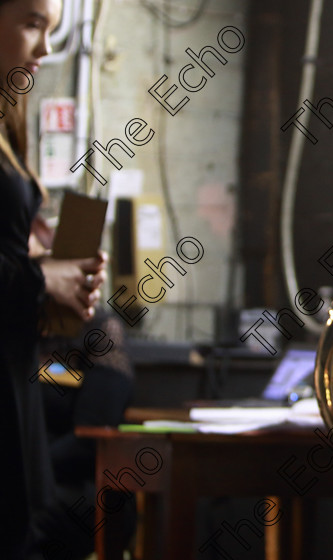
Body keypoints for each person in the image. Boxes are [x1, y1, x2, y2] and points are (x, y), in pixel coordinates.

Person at [0, 0, 106, 556]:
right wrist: (45, 282)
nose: (45, 47)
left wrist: (53, 284)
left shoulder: (6, 120)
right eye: (32, 23)